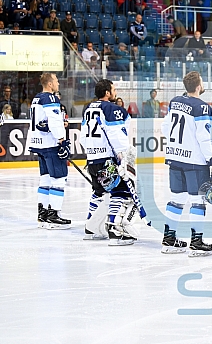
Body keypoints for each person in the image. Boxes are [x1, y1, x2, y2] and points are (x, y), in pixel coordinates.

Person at [160, 71, 212, 257]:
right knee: (198, 200)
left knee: (177, 198)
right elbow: (203, 138)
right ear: (198, 86)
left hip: (175, 158)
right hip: (194, 162)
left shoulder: (175, 102)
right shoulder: (202, 107)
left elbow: (165, 127)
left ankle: (169, 240)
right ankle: (196, 242)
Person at [79, 79, 138, 244]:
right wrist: (124, 157)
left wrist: (91, 152)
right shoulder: (112, 109)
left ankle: (90, 227)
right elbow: (117, 135)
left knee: (98, 191)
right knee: (121, 191)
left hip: (93, 159)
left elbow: (83, 137)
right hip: (107, 159)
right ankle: (114, 230)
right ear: (107, 93)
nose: (115, 92)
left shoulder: (88, 109)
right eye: (113, 89)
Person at [26, 73, 71, 229]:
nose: (58, 83)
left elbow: (39, 123)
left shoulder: (36, 98)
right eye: (56, 81)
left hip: (38, 144)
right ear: (50, 84)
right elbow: (53, 121)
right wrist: (62, 140)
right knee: (59, 178)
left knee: (45, 179)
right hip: (50, 145)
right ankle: (53, 215)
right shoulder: (50, 99)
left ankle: (43, 214)